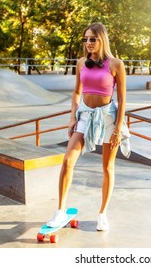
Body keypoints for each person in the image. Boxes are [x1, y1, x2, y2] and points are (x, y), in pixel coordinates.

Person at [46, 22, 130, 231]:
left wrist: (118, 129)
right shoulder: (81, 62)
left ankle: (102, 214)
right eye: (86, 39)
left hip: (108, 119)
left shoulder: (116, 64)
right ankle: (60, 211)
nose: (88, 43)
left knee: (107, 167)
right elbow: (76, 92)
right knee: (67, 160)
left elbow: (122, 100)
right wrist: (72, 117)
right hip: (85, 116)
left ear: (102, 39)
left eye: (93, 39)